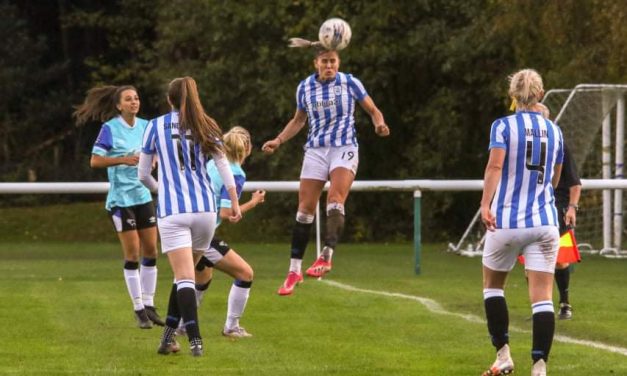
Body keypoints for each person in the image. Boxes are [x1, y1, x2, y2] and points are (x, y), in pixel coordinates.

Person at [262, 41, 390, 296]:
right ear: (316, 64)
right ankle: (294, 270)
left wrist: (380, 124)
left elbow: (373, 110)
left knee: (335, 200)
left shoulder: (350, 82)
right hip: (316, 150)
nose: (329, 65)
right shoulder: (305, 87)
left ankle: (326, 256)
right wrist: (278, 140)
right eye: (324, 61)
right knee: (304, 210)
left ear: (338, 62)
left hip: (344, 147)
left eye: (333, 61)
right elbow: (299, 120)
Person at [138, 76, 241, 356]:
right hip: (205, 210)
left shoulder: (154, 126)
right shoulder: (206, 124)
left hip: (173, 211)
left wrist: (162, 189)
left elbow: (143, 174)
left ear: (169, 99)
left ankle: (195, 338)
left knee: (183, 276)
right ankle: (168, 339)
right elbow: (223, 165)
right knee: (181, 277)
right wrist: (234, 201)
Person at [480, 69, 563, 376]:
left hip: (506, 221)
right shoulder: (555, 131)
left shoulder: (502, 126)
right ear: (540, 94)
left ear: (513, 96)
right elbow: (555, 177)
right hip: (544, 221)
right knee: (542, 298)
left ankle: (503, 356)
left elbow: (495, 166)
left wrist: (485, 204)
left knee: (492, 288)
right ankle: (539, 367)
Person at [74, 85, 164, 329]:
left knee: (152, 251)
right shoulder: (110, 129)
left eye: (136, 98)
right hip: (121, 201)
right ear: (118, 105)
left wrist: (152, 161)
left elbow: (155, 152)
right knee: (133, 254)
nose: (134, 102)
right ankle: (138, 310)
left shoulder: (146, 126)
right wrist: (124, 159)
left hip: (143, 196)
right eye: (128, 99)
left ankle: (150, 305)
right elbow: (95, 160)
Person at [192, 126, 265, 338]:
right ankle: (231, 327)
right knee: (245, 273)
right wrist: (253, 202)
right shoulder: (236, 173)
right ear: (247, 148)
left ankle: (180, 324)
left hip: (190, 224)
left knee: (202, 277)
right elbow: (227, 213)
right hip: (201, 233)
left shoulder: (212, 163)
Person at [533, 103, 582, 320]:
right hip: (532, 206)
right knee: (530, 259)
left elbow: (574, 182)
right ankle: (540, 307)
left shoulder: (559, 143)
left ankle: (564, 303)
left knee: (560, 259)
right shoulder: (526, 144)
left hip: (557, 205)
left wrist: (571, 207)